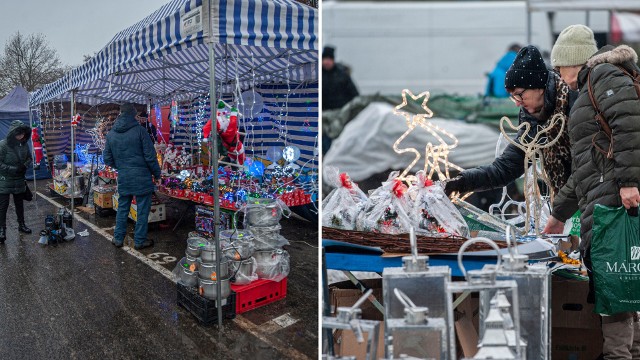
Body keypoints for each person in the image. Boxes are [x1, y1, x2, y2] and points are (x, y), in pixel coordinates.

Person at [543, 24, 640, 358]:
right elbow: (585, 169)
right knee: (624, 287)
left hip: (615, 204)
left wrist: (628, 182)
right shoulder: (586, 93)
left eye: (560, 66)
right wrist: (558, 214)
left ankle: (620, 357)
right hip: (605, 203)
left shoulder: (603, 78)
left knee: (615, 288)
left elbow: (630, 125)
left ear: (576, 61)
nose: (558, 74)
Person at [445, 45, 576, 200]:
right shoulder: (532, 123)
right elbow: (503, 170)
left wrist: (560, 214)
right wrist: (462, 182)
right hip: (568, 204)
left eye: (519, 95)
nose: (517, 103)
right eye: (513, 97)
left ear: (539, 88)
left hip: (592, 201)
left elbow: (586, 170)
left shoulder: (574, 107)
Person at [103, 103, 161, 250]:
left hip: (124, 175)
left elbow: (107, 159)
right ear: (132, 115)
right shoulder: (140, 131)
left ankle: (118, 238)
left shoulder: (111, 134)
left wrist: (121, 166)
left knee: (123, 208)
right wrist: (157, 173)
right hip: (142, 176)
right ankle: (139, 240)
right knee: (142, 209)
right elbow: (150, 156)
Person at [0, 121, 32, 242]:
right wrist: (13, 169)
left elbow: (29, 157)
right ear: (13, 133)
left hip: (19, 179)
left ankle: (21, 225)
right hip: (4, 180)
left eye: (23, 133)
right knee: (3, 206)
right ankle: (2, 229)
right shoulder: (3, 145)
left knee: (19, 204)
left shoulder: (24, 144)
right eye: (18, 133)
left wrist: (24, 166)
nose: (21, 136)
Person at [322, 46, 359, 111]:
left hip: (341, 111)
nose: (327, 62)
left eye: (330, 59)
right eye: (325, 59)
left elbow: (354, 93)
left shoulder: (342, 75)